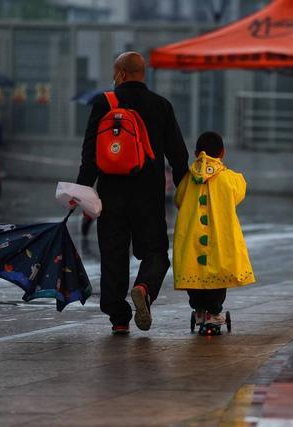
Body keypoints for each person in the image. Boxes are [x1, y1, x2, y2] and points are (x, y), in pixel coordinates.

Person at [76, 51, 189, 334]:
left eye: (115, 73)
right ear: (142, 74)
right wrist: (185, 191)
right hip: (148, 196)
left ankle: (118, 319)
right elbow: (178, 154)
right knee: (155, 252)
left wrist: (80, 190)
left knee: (113, 255)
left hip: (112, 195)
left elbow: (89, 153)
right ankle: (144, 288)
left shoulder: (105, 102)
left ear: (122, 74)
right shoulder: (160, 106)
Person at [173, 131, 255, 333]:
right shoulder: (230, 178)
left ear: (195, 153)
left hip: (192, 238)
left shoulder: (188, 179)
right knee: (218, 275)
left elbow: (178, 200)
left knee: (194, 272)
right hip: (221, 239)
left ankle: (199, 311)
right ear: (223, 152)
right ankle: (214, 312)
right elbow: (239, 193)